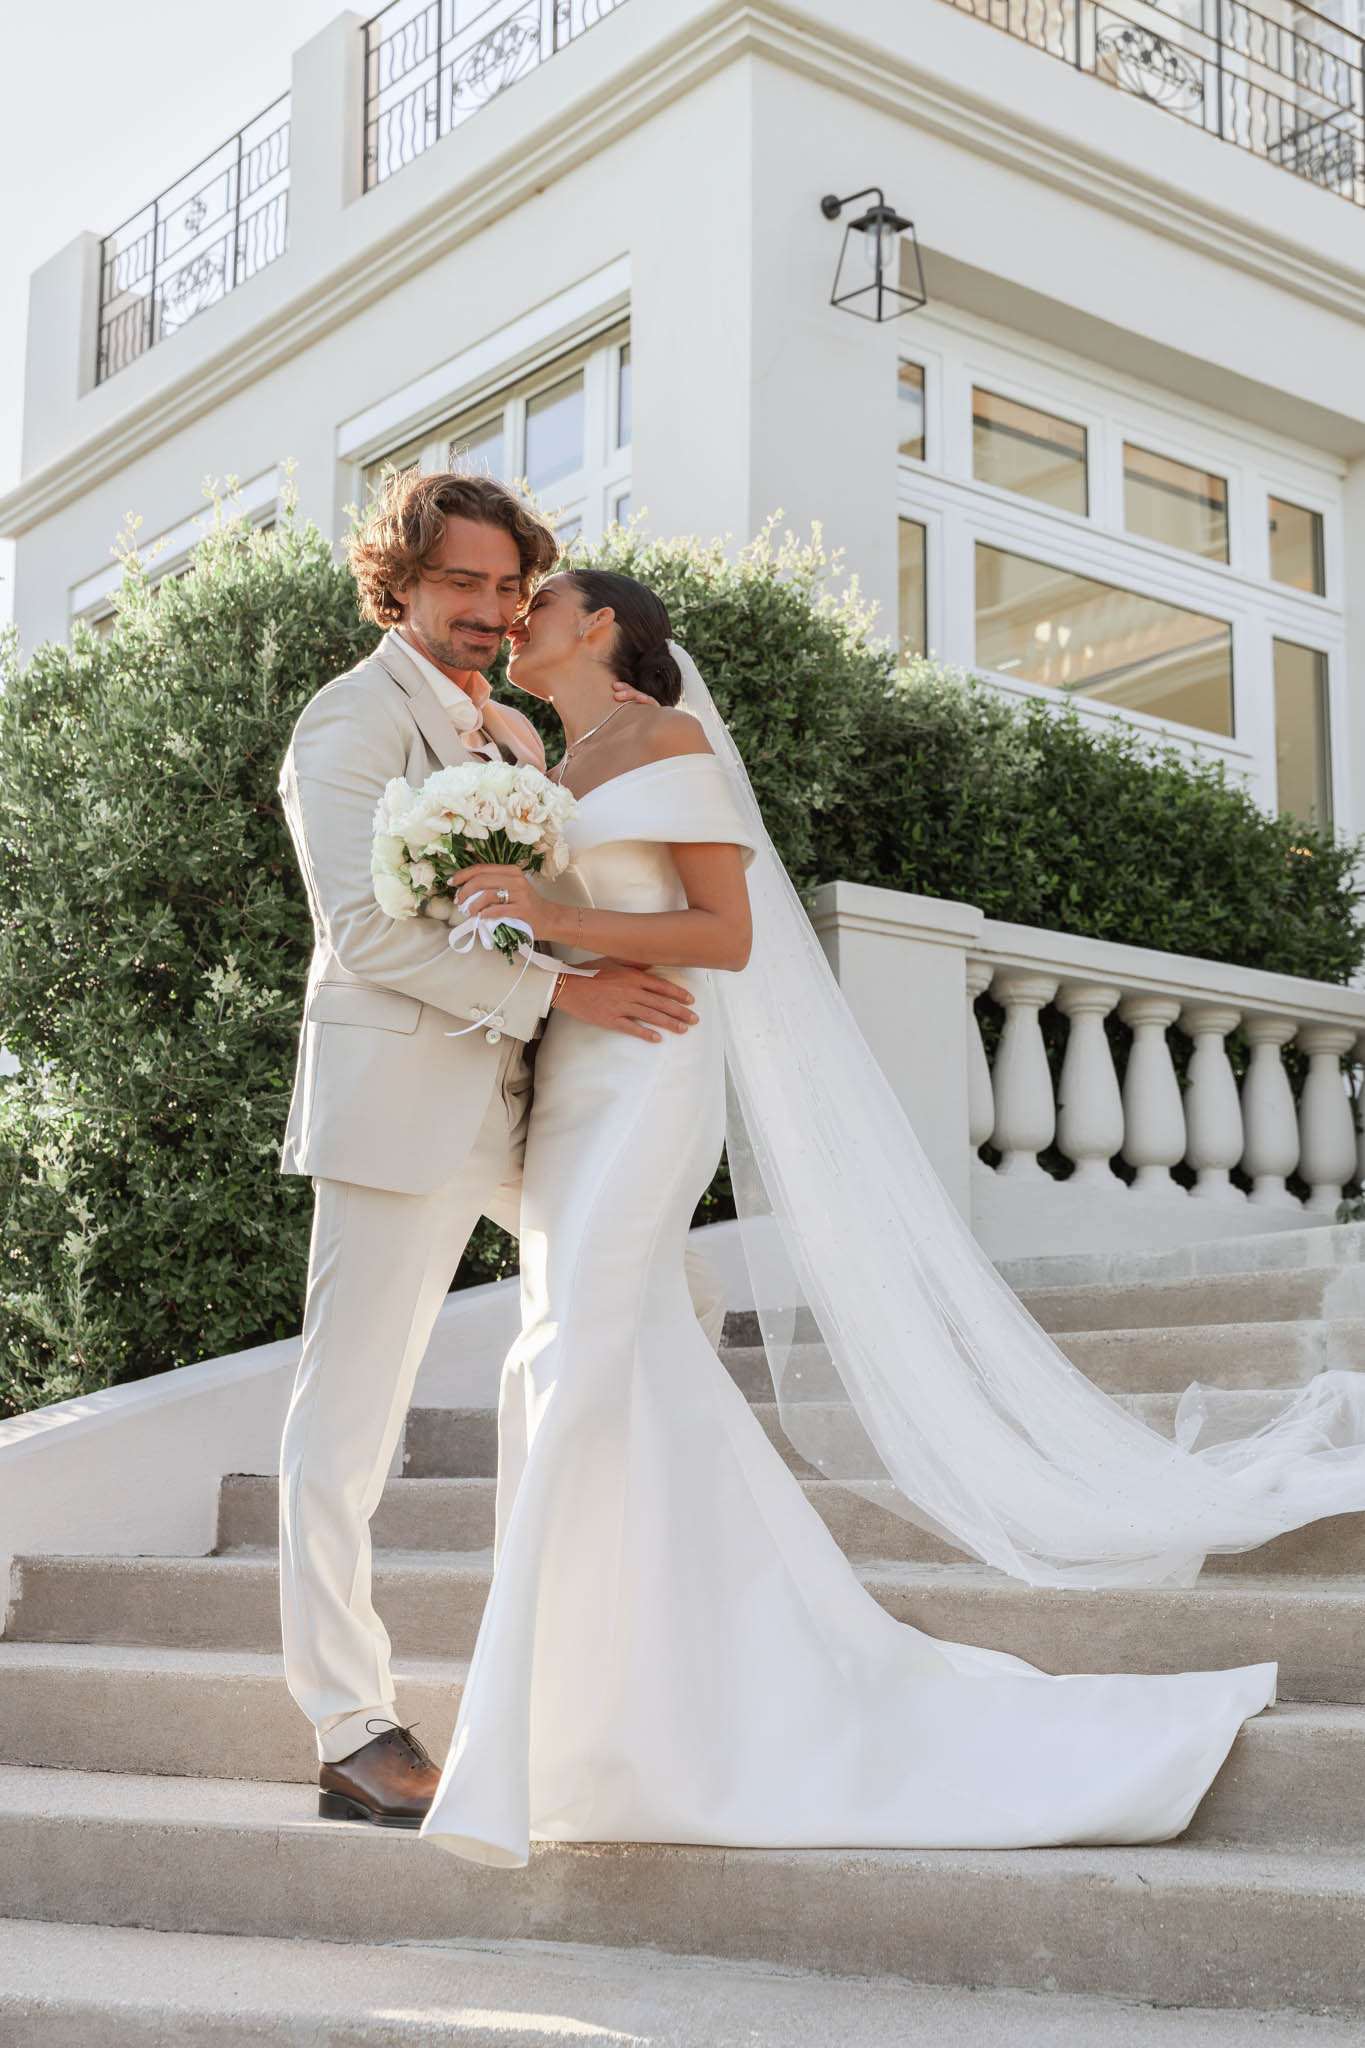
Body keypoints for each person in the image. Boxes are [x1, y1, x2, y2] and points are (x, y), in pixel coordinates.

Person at [408, 567, 1297, 1868]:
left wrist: (548, 912)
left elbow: (723, 932)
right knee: (624, 1366)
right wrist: (519, 939)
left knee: (571, 1356)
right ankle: (655, 1704)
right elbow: (593, 937)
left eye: (537, 602)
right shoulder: (552, 755)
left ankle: (516, 1751)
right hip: (574, 1083)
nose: (513, 620)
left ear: (597, 628)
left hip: (654, 1078)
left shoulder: (667, 736)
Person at [274, 475, 726, 1832]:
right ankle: (350, 1727)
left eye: (502, 587)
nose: (485, 610)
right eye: (458, 585)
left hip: (538, 1109)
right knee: (346, 1423)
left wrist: (589, 989)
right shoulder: (349, 718)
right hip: (402, 1105)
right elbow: (367, 928)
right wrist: (562, 995)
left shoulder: (524, 734)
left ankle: (610, 1678)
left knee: (623, 1347)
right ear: (398, 585)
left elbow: (536, 905)